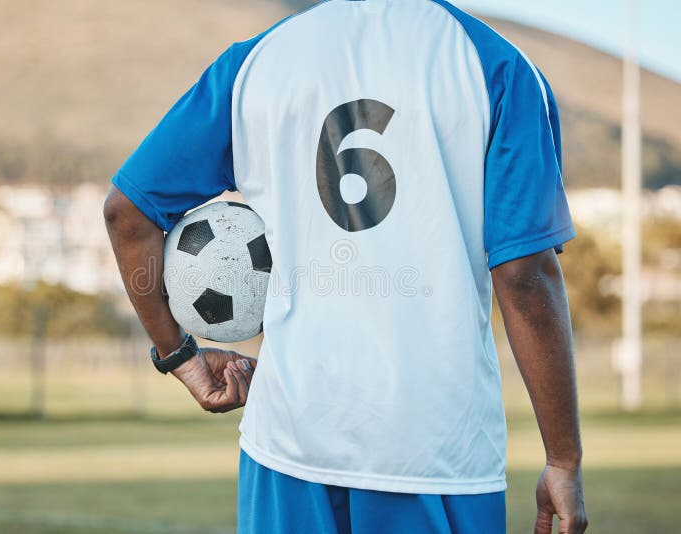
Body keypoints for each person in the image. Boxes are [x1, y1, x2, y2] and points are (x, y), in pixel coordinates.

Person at [104, 0, 588, 532]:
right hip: (436, 452)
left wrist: (180, 357)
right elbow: (523, 274)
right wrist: (563, 459)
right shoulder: (497, 66)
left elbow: (127, 213)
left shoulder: (254, 65)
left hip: (288, 447)